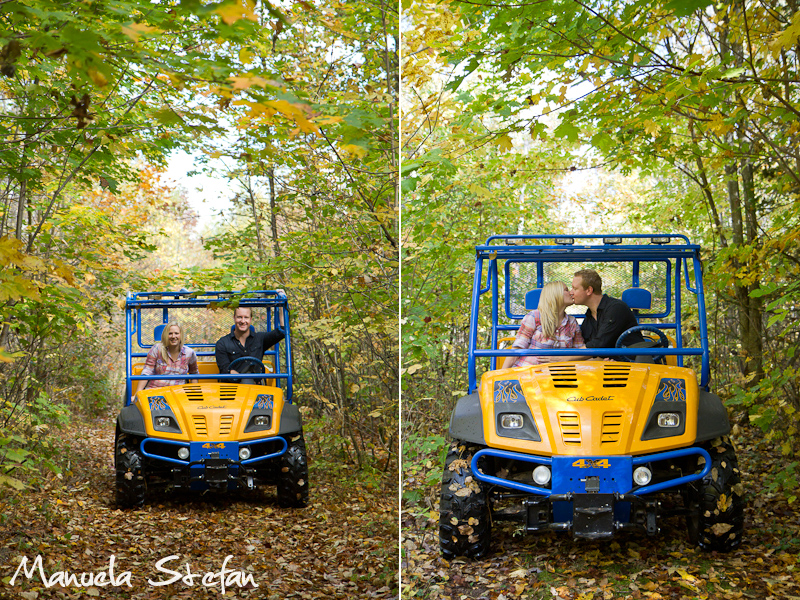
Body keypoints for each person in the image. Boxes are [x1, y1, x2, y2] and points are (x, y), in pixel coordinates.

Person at [502, 282, 586, 369]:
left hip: (558, 375)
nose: (571, 293)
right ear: (555, 294)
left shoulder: (571, 322)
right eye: (566, 290)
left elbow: (580, 352)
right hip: (529, 372)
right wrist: (502, 374)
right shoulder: (535, 316)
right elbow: (517, 348)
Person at [215, 295, 286, 378]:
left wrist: (281, 305)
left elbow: (282, 331)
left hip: (255, 386)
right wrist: (241, 378)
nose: (243, 321)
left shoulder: (260, 339)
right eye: (239, 317)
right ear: (234, 318)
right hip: (234, 386)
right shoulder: (222, 343)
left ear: (251, 319)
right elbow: (224, 369)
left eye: (246, 317)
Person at [571, 268, 644, 349]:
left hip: (631, 360)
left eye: (575, 289)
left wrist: (563, 358)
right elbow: (589, 346)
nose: (571, 292)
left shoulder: (616, 308)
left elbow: (600, 343)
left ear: (589, 290)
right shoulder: (588, 320)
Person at [134, 322, 198, 397]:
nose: (173, 336)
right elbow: (147, 371)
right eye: (170, 333)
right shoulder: (157, 349)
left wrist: (195, 394)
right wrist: (137, 393)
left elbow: (194, 374)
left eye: (176, 333)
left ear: (181, 335)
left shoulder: (189, 353)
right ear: (165, 335)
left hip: (178, 393)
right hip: (156, 391)